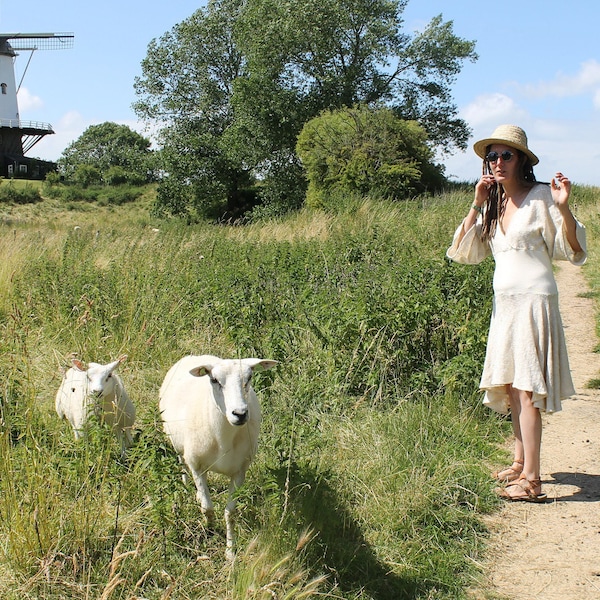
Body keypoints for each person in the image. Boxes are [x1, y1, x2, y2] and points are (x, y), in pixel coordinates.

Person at [446, 124, 587, 502]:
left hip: (533, 302)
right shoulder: (492, 203)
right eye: (491, 156)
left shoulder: (542, 197)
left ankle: (532, 480)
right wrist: (477, 200)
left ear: (522, 159)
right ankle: (520, 460)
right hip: (505, 306)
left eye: (506, 155)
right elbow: (462, 251)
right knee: (511, 387)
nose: (497, 162)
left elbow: (573, 249)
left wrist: (563, 208)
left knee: (526, 391)